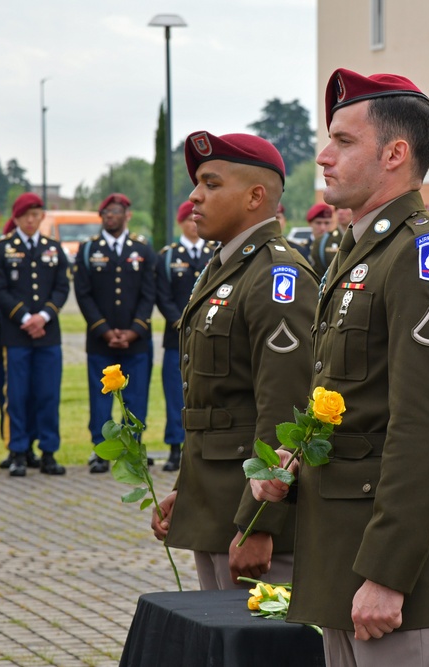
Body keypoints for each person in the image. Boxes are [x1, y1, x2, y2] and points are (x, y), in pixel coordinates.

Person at [251, 67, 429, 667]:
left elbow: (427, 428)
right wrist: (297, 462)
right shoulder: (360, 253)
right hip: (344, 560)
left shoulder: (419, 256)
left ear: (395, 154)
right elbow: (358, 403)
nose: (324, 157)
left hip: (398, 579)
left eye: (343, 141)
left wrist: (388, 572)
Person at [150, 131, 315, 590]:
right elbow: (213, 403)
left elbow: (285, 413)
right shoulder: (225, 269)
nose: (194, 196)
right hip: (216, 504)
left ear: (255, 196)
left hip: (251, 520)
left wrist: (261, 519)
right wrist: (189, 489)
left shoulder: (277, 277)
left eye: (211, 183)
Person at [0, 193, 70, 476]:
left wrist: (44, 316)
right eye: (26, 216)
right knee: (18, 395)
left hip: (47, 334)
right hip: (17, 334)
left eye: (36, 215)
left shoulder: (53, 248)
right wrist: (24, 317)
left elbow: (62, 287)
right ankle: (18, 451)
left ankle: (48, 451)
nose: (32, 220)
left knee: (47, 393)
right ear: (17, 218)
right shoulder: (2, 248)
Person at [74, 193, 156, 473]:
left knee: (136, 399)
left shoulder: (143, 249)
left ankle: (133, 451)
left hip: (136, 342)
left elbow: (149, 293)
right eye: (106, 212)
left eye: (116, 211)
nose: (111, 216)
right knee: (100, 400)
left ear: (127, 215)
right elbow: (83, 295)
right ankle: (100, 451)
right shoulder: (89, 250)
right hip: (101, 342)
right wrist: (105, 331)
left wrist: (134, 331)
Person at [154, 200, 215, 471]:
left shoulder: (215, 252)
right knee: (174, 395)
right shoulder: (168, 255)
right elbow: (162, 295)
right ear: (181, 222)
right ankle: (173, 448)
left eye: (196, 219)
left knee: (205, 394)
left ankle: (200, 447)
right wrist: (181, 322)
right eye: (188, 220)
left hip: (208, 337)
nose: (193, 224)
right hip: (175, 338)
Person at [309, 206, 344, 279]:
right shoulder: (301, 247)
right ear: (310, 223)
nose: (323, 228)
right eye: (318, 223)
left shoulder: (340, 240)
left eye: (327, 223)